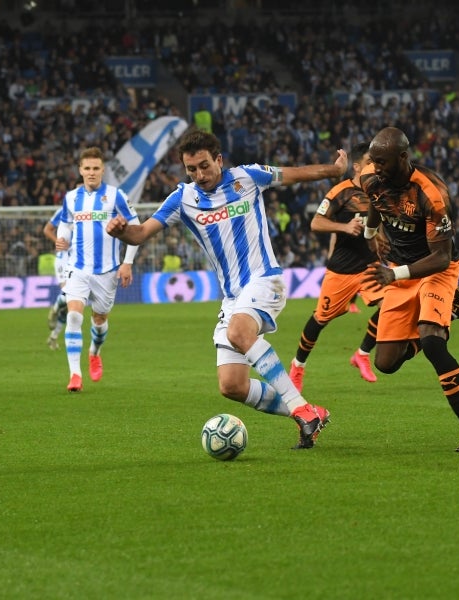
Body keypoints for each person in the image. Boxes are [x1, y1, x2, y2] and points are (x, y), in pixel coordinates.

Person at [106, 129, 348, 450]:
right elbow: (140, 234)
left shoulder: (247, 177)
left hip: (265, 279)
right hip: (233, 296)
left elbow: (296, 175)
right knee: (232, 386)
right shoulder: (183, 198)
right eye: (191, 169)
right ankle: (311, 412)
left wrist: (335, 171)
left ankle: (301, 410)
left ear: (219, 160)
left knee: (238, 332)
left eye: (204, 165)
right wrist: (122, 232)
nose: (199, 174)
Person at [360, 127, 459, 452]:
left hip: (435, 270)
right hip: (399, 273)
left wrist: (394, 273)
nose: (377, 168)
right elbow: (376, 203)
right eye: (374, 161)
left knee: (433, 343)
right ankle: (453, 311)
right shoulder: (371, 178)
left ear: (403, 157)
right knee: (386, 363)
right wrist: (370, 232)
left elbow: (441, 257)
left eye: (383, 162)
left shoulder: (431, 195)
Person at [289, 142, 384, 389]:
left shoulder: (379, 193)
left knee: (391, 306)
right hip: (342, 270)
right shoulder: (340, 192)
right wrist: (344, 227)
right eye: (370, 162)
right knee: (320, 320)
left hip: (369, 266)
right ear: (357, 166)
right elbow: (316, 223)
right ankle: (297, 367)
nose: (375, 167)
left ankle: (362, 354)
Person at [55, 147, 140, 392]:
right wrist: (63, 239)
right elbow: (65, 224)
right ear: (80, 170)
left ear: (103, 170)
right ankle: (74, 375)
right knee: (73, 315)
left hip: (107, 271)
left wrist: (128, 262)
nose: (91, 173)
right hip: (77, 267)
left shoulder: (117, 196)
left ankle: (95, 351)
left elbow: (136, 228)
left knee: (99, 319)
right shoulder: (71, 198)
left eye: (96, 168)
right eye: (87, 168)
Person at [43, 207, 69, 350]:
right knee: (69, 293)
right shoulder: (65, 209)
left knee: (71, 305)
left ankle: (53, 337)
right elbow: (47, 229)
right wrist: (58, 242)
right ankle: (55, 308)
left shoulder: (91, 210)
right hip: (63, 259)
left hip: (79, 260)